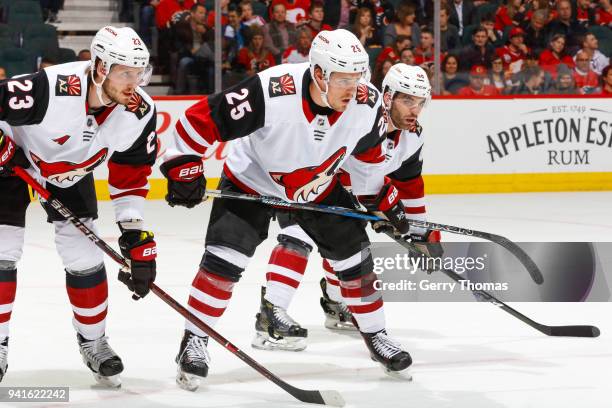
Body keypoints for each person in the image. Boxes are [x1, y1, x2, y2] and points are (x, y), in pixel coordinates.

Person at [160, 29, 414, 390]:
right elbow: (197, 122)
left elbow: (370, 164)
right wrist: (183, 169)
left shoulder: (368, 103)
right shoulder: (270, 91)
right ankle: (195, 340)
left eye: (359, 77)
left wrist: (386, 205)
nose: (353, 87)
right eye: (344, 78)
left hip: (318, 185)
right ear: (320, 73)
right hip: (253, 180)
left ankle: (376, 335)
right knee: (223, 261)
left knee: (356, 260)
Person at [0, 26, 158, 387]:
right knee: (2, 251)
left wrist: (134, 232)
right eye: (125, 72)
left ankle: (94, 341)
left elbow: (131, 175)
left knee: (85, 257)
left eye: (139, 72)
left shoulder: (140, 111)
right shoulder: (49, 88)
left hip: (70, 170)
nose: (135, 82)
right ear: (100, 67)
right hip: (12, 164)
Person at [250, 63, 442, 351]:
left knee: (347, 249)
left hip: (350, 197)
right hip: (306, 182)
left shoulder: (412, 137)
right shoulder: (360, 115)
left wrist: (422, 232)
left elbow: (410, 184)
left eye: (419, 102)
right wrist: (381, 205)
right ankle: (271, 313)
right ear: (387, 96)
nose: (414, 109)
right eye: (406, 99)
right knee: (299, 236)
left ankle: (336, 302)